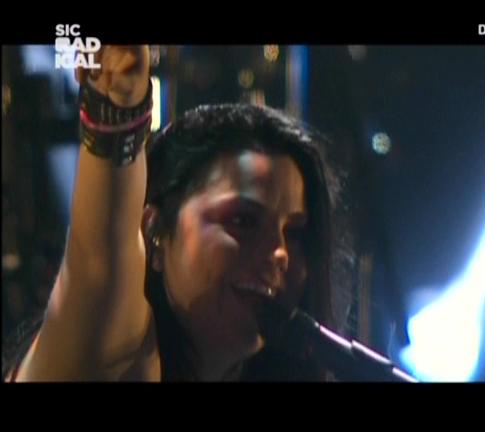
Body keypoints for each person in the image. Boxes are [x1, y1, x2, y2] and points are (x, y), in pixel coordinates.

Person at [3, 45, 351, 381]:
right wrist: (117, 103)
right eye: (243, 221)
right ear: (155, 232)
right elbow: (100, 263)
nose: (280, 253)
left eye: (295, 232)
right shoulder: (116, 355)